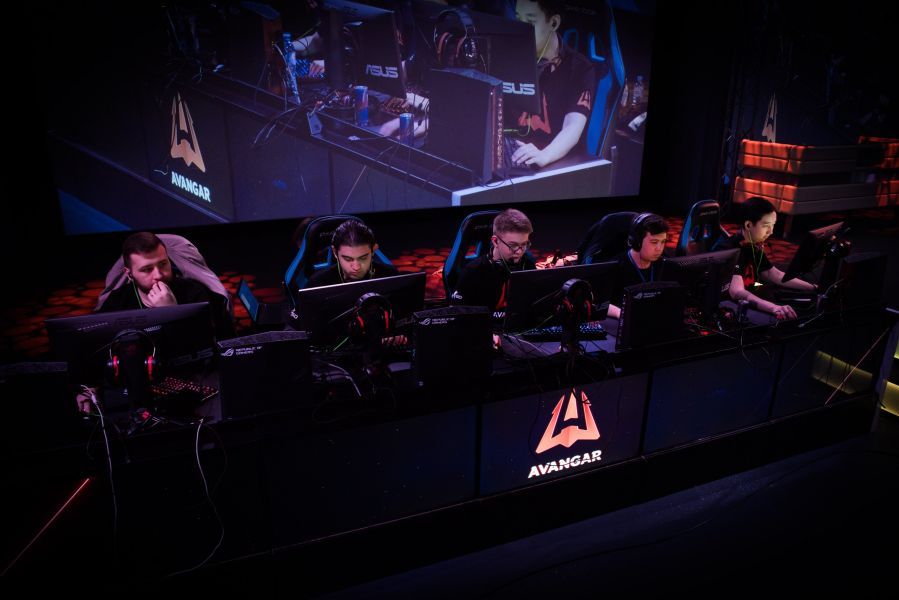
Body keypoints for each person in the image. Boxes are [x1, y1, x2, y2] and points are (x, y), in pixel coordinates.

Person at [508, 0, 595, 168]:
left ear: (554, 23)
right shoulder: (508, 57)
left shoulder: (580, 69)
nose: (521, 28)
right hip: (514, 155)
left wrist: (544, 155)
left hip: (555, 163)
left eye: (530, 21)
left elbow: (573, 126)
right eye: (518, 19)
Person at [97, 232, 234, 338]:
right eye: (147, 269)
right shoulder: (117, 302)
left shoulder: (194, 293)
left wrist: (172, 312)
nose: (158, 275)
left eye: (163, 264)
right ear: (129, 274)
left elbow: (208, 343)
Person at [719, 197, 818, 321]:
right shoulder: (730, 249)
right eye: (766, 226)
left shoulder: (752, 244)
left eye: (773, 225)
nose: (771, 232)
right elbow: (737, 292)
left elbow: (773, 274)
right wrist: (774, 308)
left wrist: (813, 287)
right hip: (728, 305)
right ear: (748, 225)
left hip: (752, 290)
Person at [451, 208, 537, 312]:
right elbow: (459, 315)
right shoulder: (473, 272)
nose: (519, 252)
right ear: (495, 241)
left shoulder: (527, 264)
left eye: (524, 244)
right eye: (513, 245)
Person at [607, 213, 669, 320]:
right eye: (654, 242)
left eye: (663, 242)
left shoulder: (664, 264)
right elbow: (599, 302)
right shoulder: (615, 266)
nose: (659, 248)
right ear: (637, 242)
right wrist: (620, 313)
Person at [304, 218, 398, 288]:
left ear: (373, 250)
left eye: (363, 258)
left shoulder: (392, 277)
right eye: (348, 259)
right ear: (335, 252)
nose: (356, 267)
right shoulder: (317, 284)